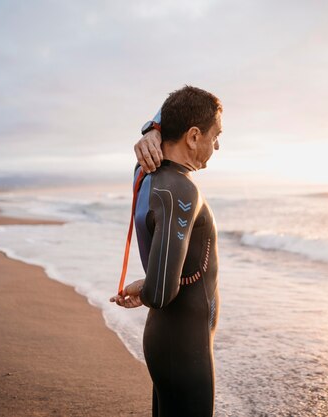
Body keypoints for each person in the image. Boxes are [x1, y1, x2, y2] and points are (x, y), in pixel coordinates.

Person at [110, 85, 222, 417]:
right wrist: (148, 287)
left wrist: (152, 129)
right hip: (184, 347)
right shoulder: (180, 188)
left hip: (170, 340)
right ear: (192, 136)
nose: (217, 145)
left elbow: (171, 111)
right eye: (214, 136)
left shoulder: (143, 174)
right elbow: (160, 293)